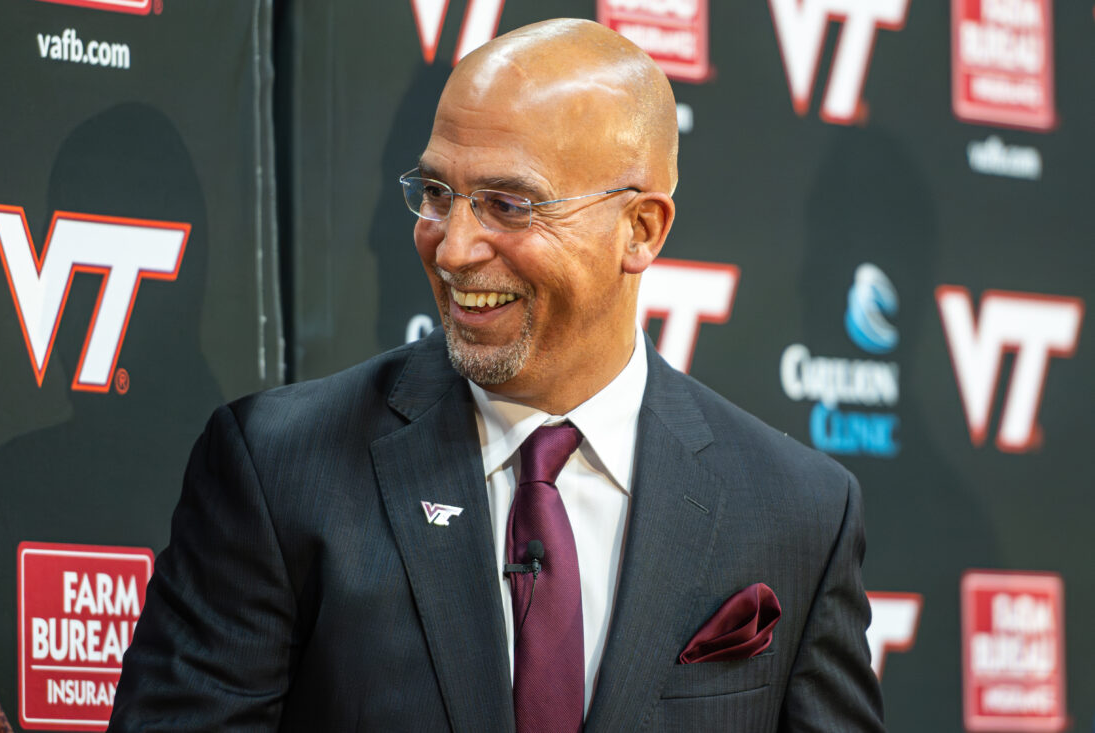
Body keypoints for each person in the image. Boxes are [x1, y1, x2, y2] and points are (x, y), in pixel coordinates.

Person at [109, 18, 883, 732]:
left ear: (640, 230)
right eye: (437, 194)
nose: (452, 248)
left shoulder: (797, 514)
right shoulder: (279, 469)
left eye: (509, 204)